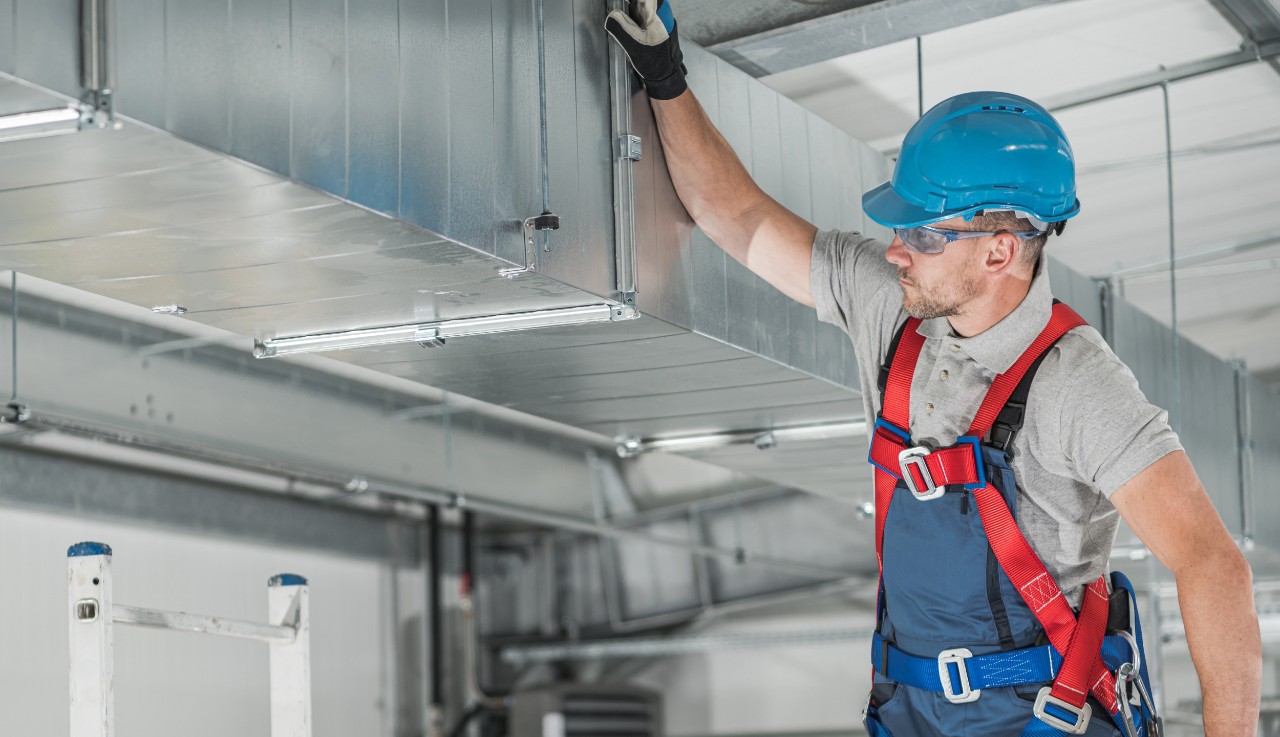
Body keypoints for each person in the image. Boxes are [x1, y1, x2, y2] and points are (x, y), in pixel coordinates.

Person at [605, 2, 1261, 736]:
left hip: (1040, 719)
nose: (895, 250)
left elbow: (1213, 566)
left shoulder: (1078, 382)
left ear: (1000, 250)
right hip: (909, 712)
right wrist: (665, 77)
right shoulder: (895, 312)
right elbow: (737, 215)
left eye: (920, 231)